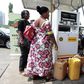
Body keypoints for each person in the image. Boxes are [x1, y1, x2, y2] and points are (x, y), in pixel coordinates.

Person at [23, 6, 58, 81]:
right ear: (44, 13)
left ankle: (35, 75)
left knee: (36, 59)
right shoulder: (46, 22)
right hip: (44, 45)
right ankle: (48, 76)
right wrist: (55, 44)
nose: (48, 15)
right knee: (46, 60)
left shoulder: (36, 21)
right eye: (48, 13)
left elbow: (32, 30)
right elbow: (51, 34)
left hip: (35, 44)